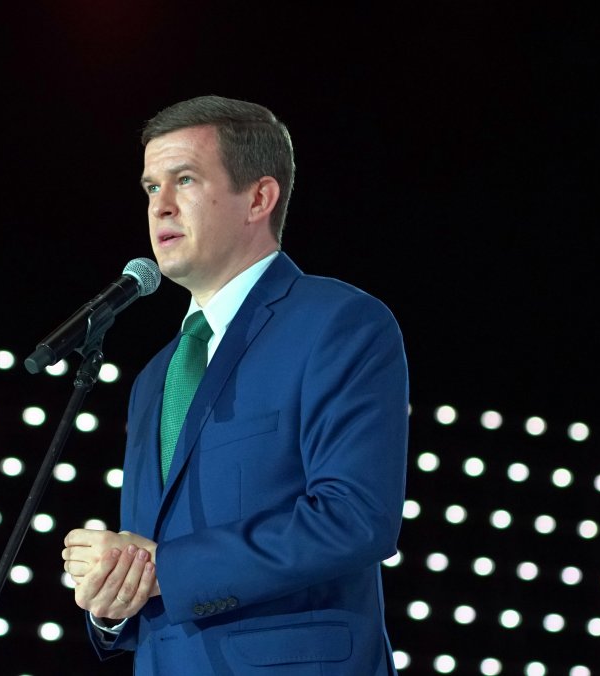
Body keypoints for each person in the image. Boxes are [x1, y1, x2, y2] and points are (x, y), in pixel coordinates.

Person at [61, 95, 408, 675]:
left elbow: (354, 518)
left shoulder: (338, 323)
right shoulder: (154, 378)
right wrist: (112, 597)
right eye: (151, 187)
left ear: (259, 198)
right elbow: (149, 565)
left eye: (184, 180)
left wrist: (167, 569)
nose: (160, 206)